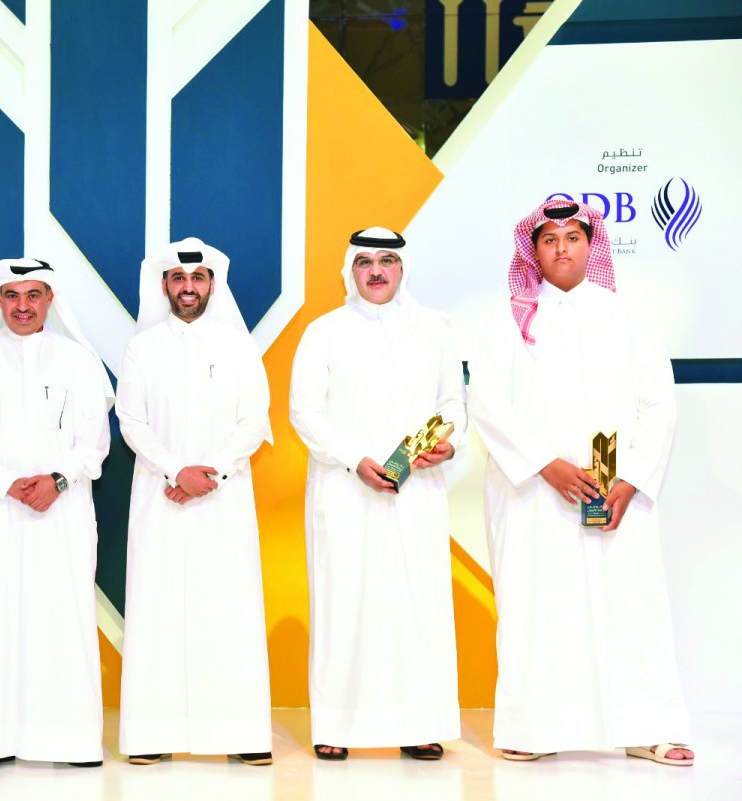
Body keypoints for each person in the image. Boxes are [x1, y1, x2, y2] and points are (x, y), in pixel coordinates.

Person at [469, 199, 694, 765]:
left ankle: (649, 728)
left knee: (633, 604)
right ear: (534, 250)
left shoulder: (625, 317)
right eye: (549, 240)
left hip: (614, 490)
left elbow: (657, 403)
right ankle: (529, 728)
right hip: (533, 493)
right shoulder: (507, 319)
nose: (562, 248)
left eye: (573, 237)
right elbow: (488, 402)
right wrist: (547, 464)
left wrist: (633, 478)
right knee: (535, 604)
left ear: (591, 247)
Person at [289, 228, 466, 761]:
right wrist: (353, 459)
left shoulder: (435, 330)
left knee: (415, 602)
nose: (376, 270)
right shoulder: (323, 332)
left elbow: (452, 402)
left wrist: (445, 445)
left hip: (417, 489)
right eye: (365, 261)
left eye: (387, 260)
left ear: (403, 268)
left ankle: (420, 724)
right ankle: (336, 726)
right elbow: (304, 411)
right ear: (350, 269)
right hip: (344, 489)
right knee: (343, 602)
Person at [0, 258, 114, 769]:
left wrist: (58, 480)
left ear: (49, 300)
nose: (22, 306)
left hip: (63, 511)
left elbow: (96, 438)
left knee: (65, 618)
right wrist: (5, 481)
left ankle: (73, 742)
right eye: (12, 296)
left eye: (33, 295)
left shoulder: (78, 361)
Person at [116, 237, 274, 766]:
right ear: (164, 285)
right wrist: (174, 469)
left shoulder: (237, 346)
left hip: (223, 497)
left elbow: (254, 419)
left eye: (198, 278)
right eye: (179, 279)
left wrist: (212, 472)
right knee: (157, 606)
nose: (188, 287)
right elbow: (131, 420)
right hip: (159, 494)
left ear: (212, 284)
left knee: (227, 605)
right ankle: (151, 735)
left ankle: (240, 734)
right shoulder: (142, 348)